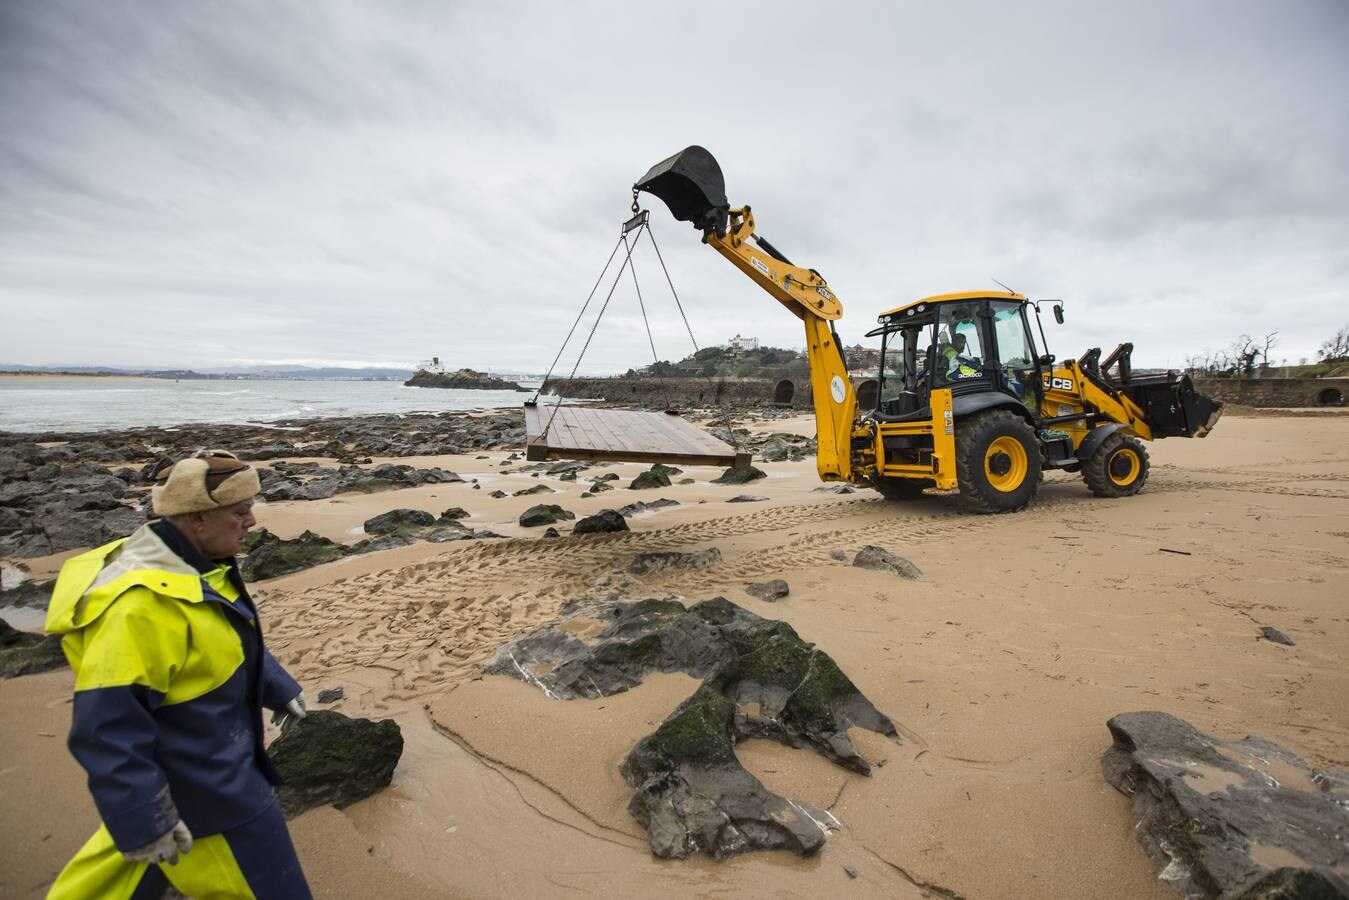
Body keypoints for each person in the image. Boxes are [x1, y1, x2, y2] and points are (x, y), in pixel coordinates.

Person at [44, 450, 313, 899]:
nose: (251, 521)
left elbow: (225, 642)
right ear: (196, 518)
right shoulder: (139, 608)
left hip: (205, 781)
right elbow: (106, 726)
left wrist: (276, 686)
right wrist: (144, 818)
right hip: (213, 802)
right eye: (240, 512)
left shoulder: (201, 566)